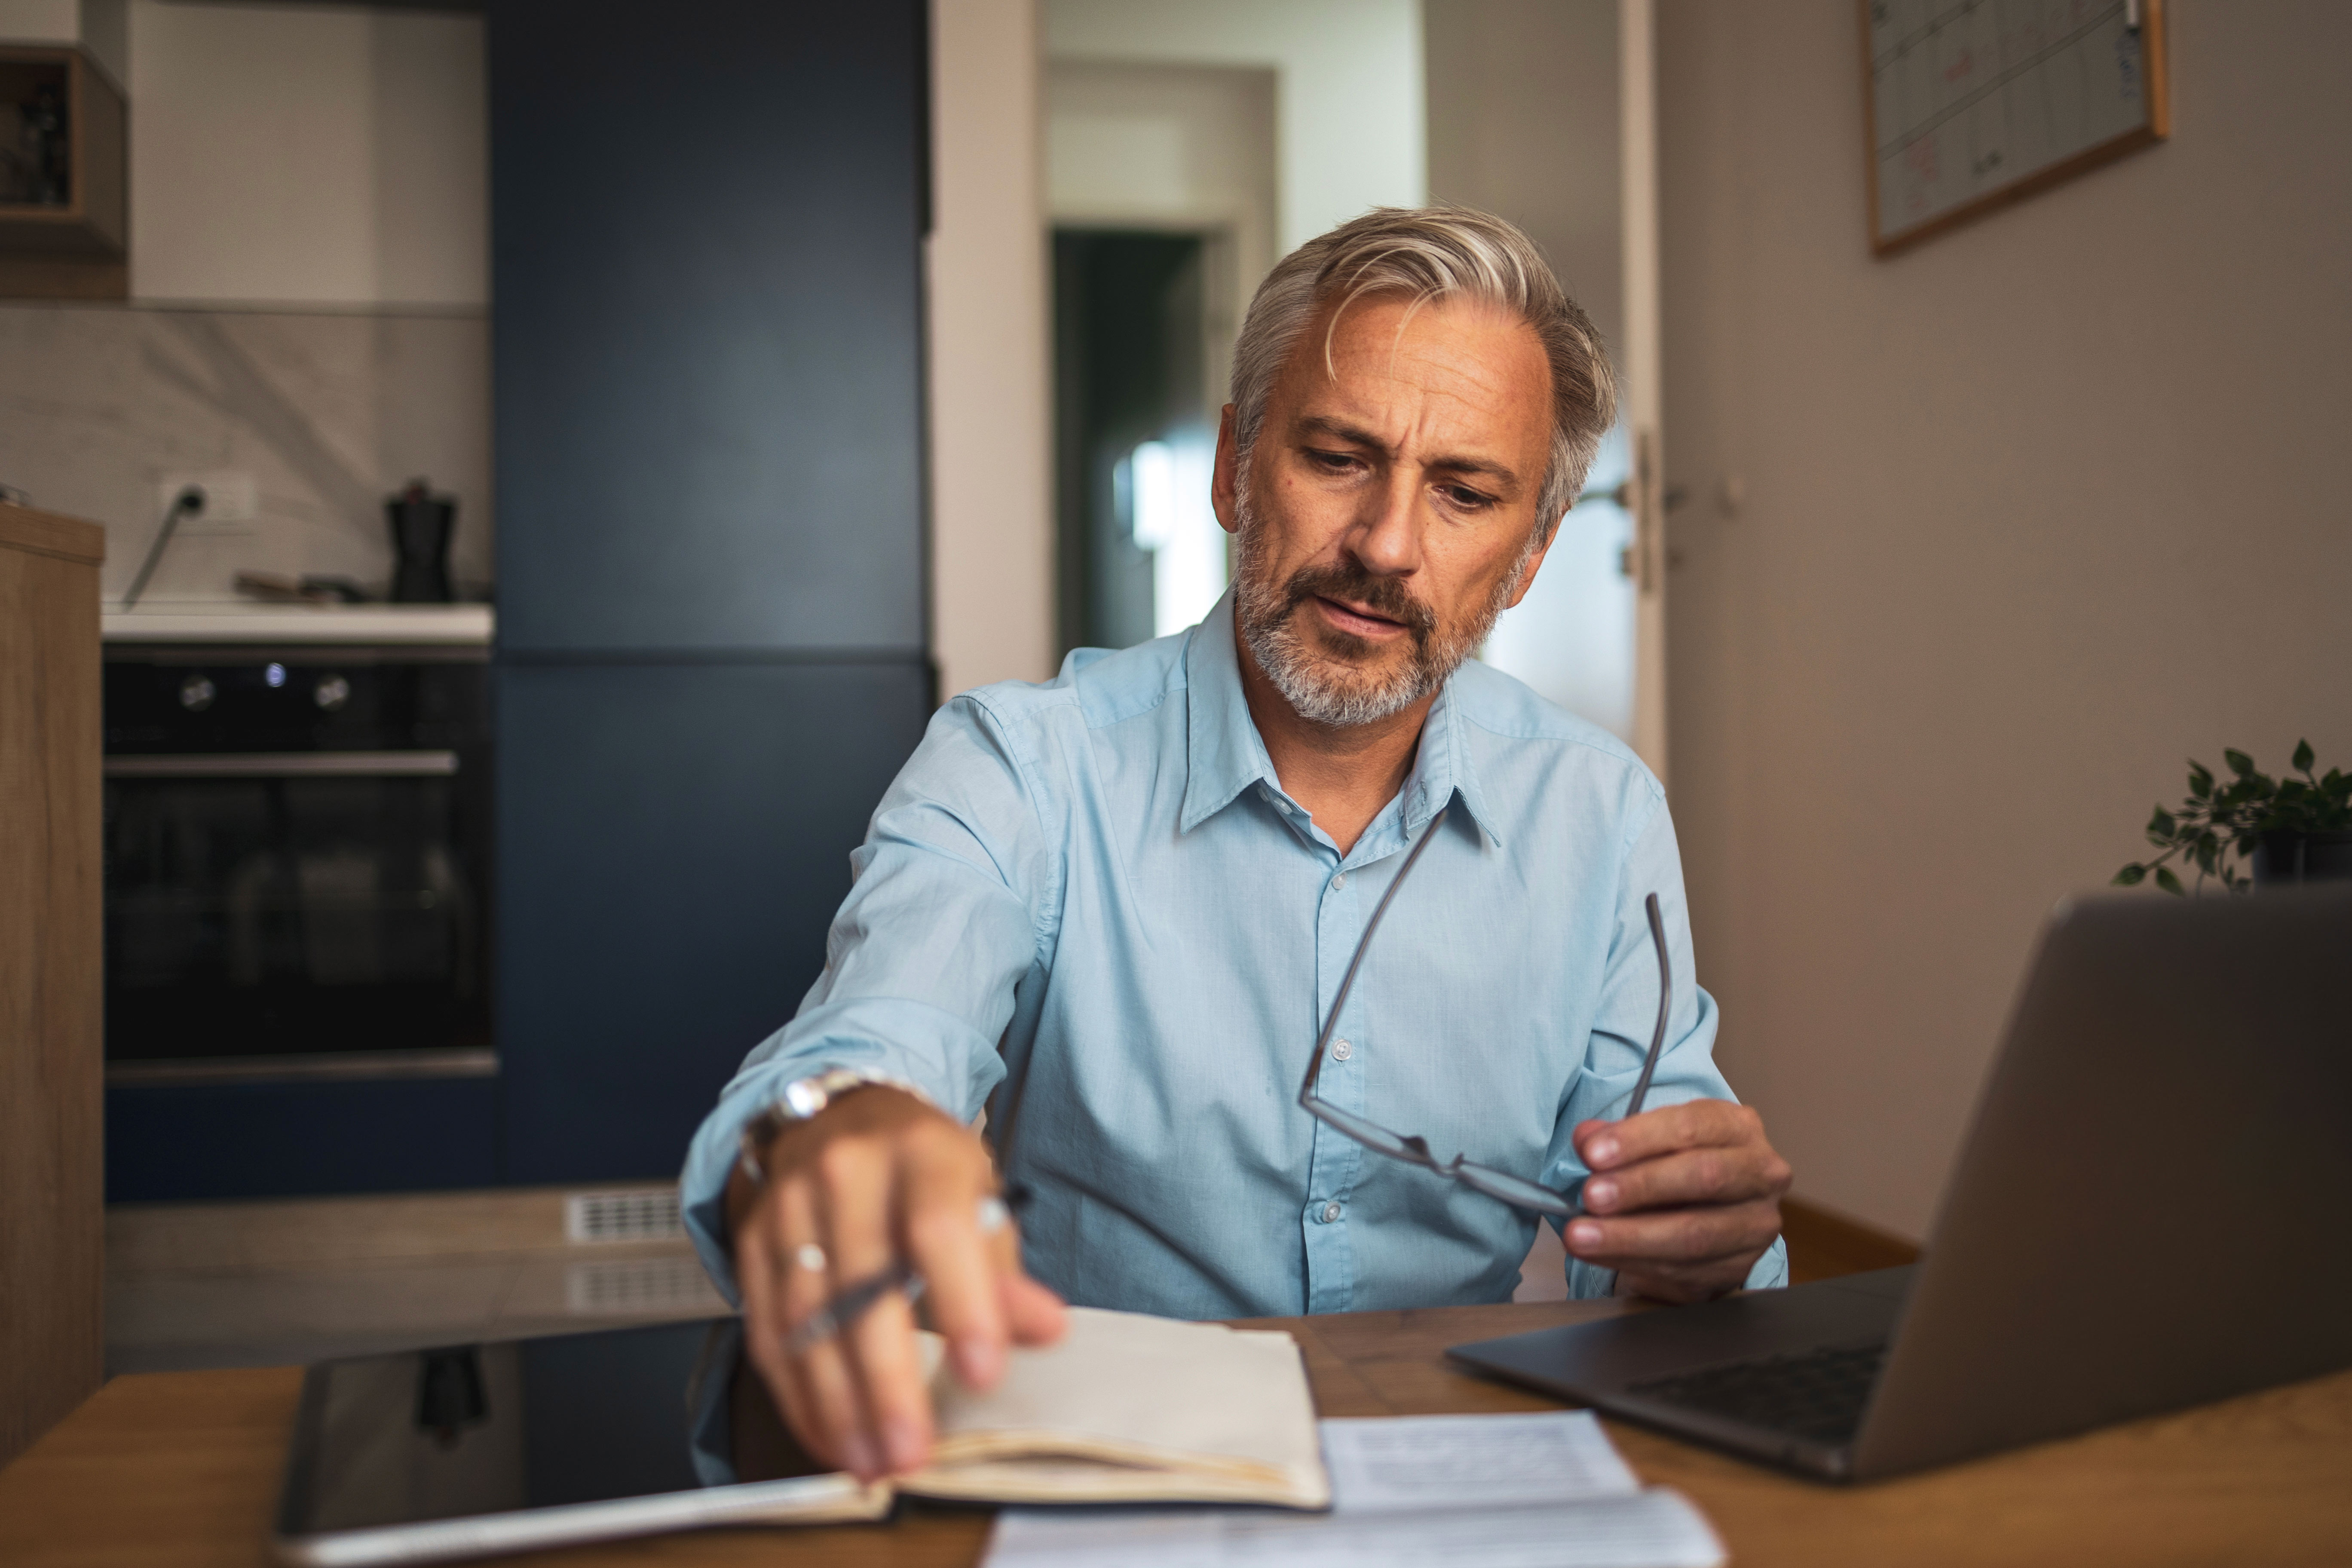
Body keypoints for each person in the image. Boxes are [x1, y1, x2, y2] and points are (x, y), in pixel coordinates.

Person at [682, 206, 1792, 1484]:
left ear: (1531, 556)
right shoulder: (1021, 766)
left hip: (1455, 1476)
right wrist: (830, 1131)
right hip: (1098, 1480)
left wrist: (1707, 1236)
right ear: (1231, 467)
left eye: (1465, 493)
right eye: (1338, 456)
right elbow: (869, 1044)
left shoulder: (1601, 813)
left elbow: (1676, 1245)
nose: (1385, 545)